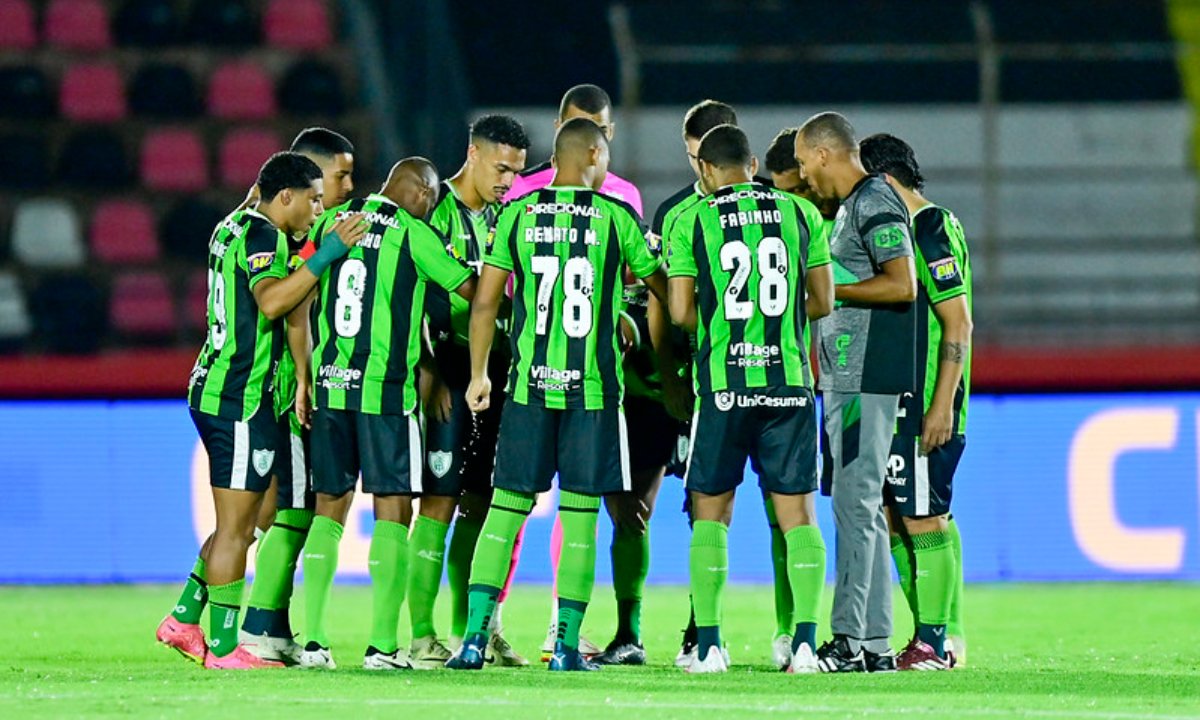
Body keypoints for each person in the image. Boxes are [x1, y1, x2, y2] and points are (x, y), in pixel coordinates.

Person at [445, 118, 668, 672]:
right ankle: (566, 645)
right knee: (582, 517)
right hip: (592, 396)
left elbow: (486, 302)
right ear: (593, 153)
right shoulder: (618, 218)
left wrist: (479, 375)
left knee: (503, 513)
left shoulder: (517, 213)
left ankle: (472, 641)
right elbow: (665, 288)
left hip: (526, 389)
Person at [157, 152, 365, 669]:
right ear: (286, 197)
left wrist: (299, 373)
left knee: (258, 516)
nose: (320, 208)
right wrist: (326, 254)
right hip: (239, 399)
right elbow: (273, 301)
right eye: (314, 198)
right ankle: (225, 648)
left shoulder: (233, 225)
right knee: (237, 528)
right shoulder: (262, 236)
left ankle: (184, 617)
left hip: (225, 391)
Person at [665, 124, 833, 674]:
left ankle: (710, 646)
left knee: (712, 513)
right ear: (755, 162)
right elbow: (824, 301)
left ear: (706, 172)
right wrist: (777, 323)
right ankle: (805, 644)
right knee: (798, 516)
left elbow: (681, 314)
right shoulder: (800, 213)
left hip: (723, 386)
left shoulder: (692, 219)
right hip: (787, 386)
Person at [297, 159, 478, 671]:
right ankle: (381, 645)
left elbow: (301, 278)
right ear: (421, 192)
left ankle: (313, 641)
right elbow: (469, 291)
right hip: (384, 395)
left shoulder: (337, 219)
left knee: (328, 509)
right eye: (434, 198)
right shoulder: (413, 234)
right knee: (393, 511)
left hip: (332, 386)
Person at [502, 83, 644, 660]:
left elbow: (631, 281)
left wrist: (624, 322)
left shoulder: (625, 195)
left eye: (605, 127)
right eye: (587, 125)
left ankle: (566, 627)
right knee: (510, 502)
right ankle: (489, 622)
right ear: (563, 129)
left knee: (582, 503)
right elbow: (508, 285)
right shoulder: (524, 191)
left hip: (598, 372)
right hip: (527, 369)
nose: (598, 136)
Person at [794, 112, 918, 673]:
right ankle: (871, 644)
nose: (801, 175)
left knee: (856, 503)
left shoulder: (874, 202)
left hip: (865, 376)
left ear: (824, 153)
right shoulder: (850, 208)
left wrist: (828, 287)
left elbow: (902, 283)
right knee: (857, 505)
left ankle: (850, 640)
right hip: (849, 376)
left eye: (802, 162)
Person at [411, 114, 531, 668]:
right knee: (438, 502)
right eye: (502, 168)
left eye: (518, 171)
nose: (509, 180)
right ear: (473, 154)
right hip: (447, 369)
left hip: (498, 370)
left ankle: (477, 628)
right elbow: (404, 290)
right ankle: (419, 634)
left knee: (484, 507)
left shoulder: (510, 216)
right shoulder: (434, 212)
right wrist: (428, 368)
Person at [240, 127, 358, 664]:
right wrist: (306, 379)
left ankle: (267, 624)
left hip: (286, 389)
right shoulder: (292, 238)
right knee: (287, 509)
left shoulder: (269, 227)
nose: (346, 187)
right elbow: (289, 310)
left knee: (282, 511)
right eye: (337, 177)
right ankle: (259, 627)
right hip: (283, 393)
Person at [860, 133, 972, 670]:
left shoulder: (928, 227)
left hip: (926, 398)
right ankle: (940, 636)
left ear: (882, 181)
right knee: (900, 514)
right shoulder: (913, 227)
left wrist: (941, 403)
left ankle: (933, 641)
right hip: (902, 398)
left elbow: (958, 319)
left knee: (925, 518)